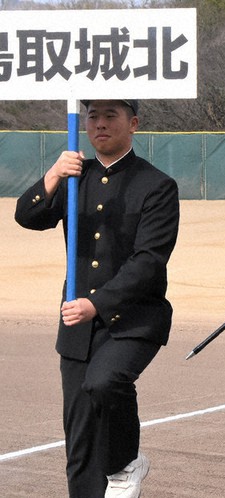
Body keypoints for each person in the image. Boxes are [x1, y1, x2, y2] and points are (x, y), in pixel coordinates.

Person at [14, 99, 180, 498]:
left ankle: (125, 463)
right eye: (92, 116)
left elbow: (148, 262)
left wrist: (98, 303)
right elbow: (27, 215)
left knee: (105, 383)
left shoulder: (156, 185)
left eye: (111, 116)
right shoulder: (76, 176)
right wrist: (55, 173)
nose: (99, 124)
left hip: (133, 319)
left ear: (133, 123)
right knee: (80, 438)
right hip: (77, 324)